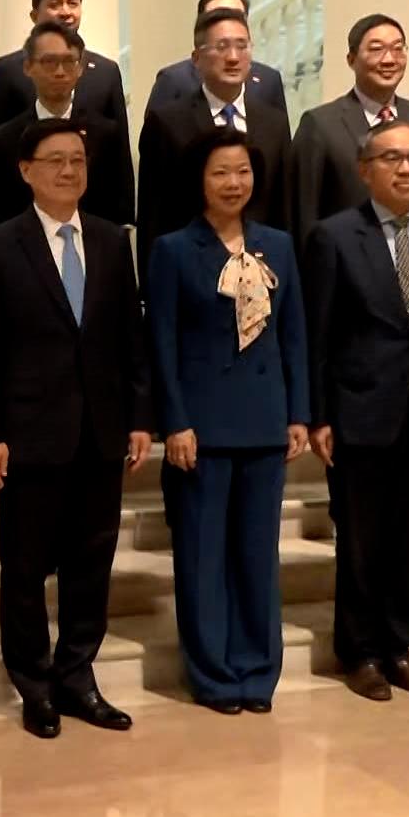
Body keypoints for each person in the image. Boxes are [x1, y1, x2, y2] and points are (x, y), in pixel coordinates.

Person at [0, 117, 154, 740]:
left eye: (77, 159)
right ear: (26, 171)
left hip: (100, 430)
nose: (69, 170)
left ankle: (78, 676)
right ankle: (35, 684)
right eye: (55, 160)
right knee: (24, 570)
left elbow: (130, 339)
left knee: (91, 563)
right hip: (29, 433)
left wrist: (139, 418)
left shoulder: (109, 240)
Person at [302, 120, 409, 702]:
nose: (406, 169)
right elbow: (318, 335)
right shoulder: (333, 236)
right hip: (358, 412)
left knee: (408, 541)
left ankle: (399, 648)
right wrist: (319, 415)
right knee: (359, 542)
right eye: (392, 158)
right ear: (365, 169)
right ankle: (360, 653)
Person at [145, 126, 310, 715]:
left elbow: (294, 335)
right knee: (203, 558)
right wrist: (175, 422)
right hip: (202, 428)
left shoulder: (278, 246)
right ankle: (213, 675)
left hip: (266, 421)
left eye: (242, 171)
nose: (233, 183)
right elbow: (161, 344)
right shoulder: (172, 250)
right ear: (199, 181)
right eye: (220, 172)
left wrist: (299, 413)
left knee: (258, 556)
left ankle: (258, 672)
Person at [138, 8, 296, 273]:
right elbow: (152, 215)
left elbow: (283, 208)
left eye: (242, 46)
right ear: (196, 58)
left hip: (261, 271)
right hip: (190, 271)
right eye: (221, 47)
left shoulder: (274, 122)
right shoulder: (167, 123)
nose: (233, 57)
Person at [281, 14, 409, 246]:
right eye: (377, 49)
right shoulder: (320, 124)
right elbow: (303, 213)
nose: (389, 59)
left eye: (398, 49)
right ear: (351, 59)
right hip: (345, 259)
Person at [0, 22, 134, 232]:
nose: (60, 72)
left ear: (80, 68)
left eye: (69, 62)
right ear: (28, 67)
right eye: (49, 62)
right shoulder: (2, 141)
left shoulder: (106, 135)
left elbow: (119, 209)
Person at [0, 0, 129, 149]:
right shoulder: (9, 69)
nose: (65, 12)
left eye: (72, 3)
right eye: (55, 4)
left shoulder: (106, 71)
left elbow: (120, 148)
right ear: (34, 15)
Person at [144, 0, 289, 117]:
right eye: (218, 16)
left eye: (236, 16)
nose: (226, 23)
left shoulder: (269, 80)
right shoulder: (173, 80)